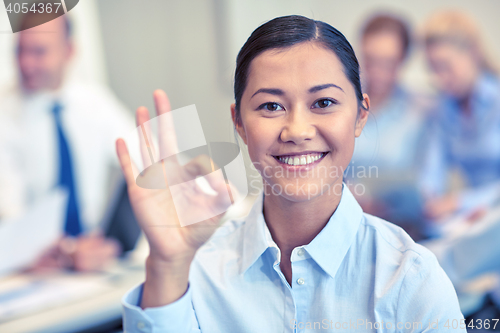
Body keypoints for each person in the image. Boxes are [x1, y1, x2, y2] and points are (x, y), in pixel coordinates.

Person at [117, 15, 465, 332]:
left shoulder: (411, 279)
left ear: (360, 116)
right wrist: (166, 264)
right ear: (239, 122)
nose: (297, 129)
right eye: (271, 106)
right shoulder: (196, 271)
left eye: (323, 103)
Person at [0, 12, 134, 271]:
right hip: (31, 269)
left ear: (69, 51)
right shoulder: (4, 116)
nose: (26, 64)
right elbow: (10, 213)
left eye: (39, 52)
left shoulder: (93, 103)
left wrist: (112, 244)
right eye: (20, 51)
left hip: (91, 260)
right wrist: (63, 252)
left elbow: (144, 159)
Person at [350, 14, 429, 239]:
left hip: (400, 229)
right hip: (342, 220)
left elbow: (426, 188)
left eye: (388, 63)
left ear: (403, 60)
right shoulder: (342, 105)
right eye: (370, 60)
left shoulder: (420, 113)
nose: (377, 72)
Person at [419, 10, 500, 223]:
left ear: (472, 53)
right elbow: (432, 170)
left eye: (445, 66)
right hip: (476, 218)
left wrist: (461, 201)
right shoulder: (444, 109)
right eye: (433, 69)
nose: (440, 79)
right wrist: (426, 199)